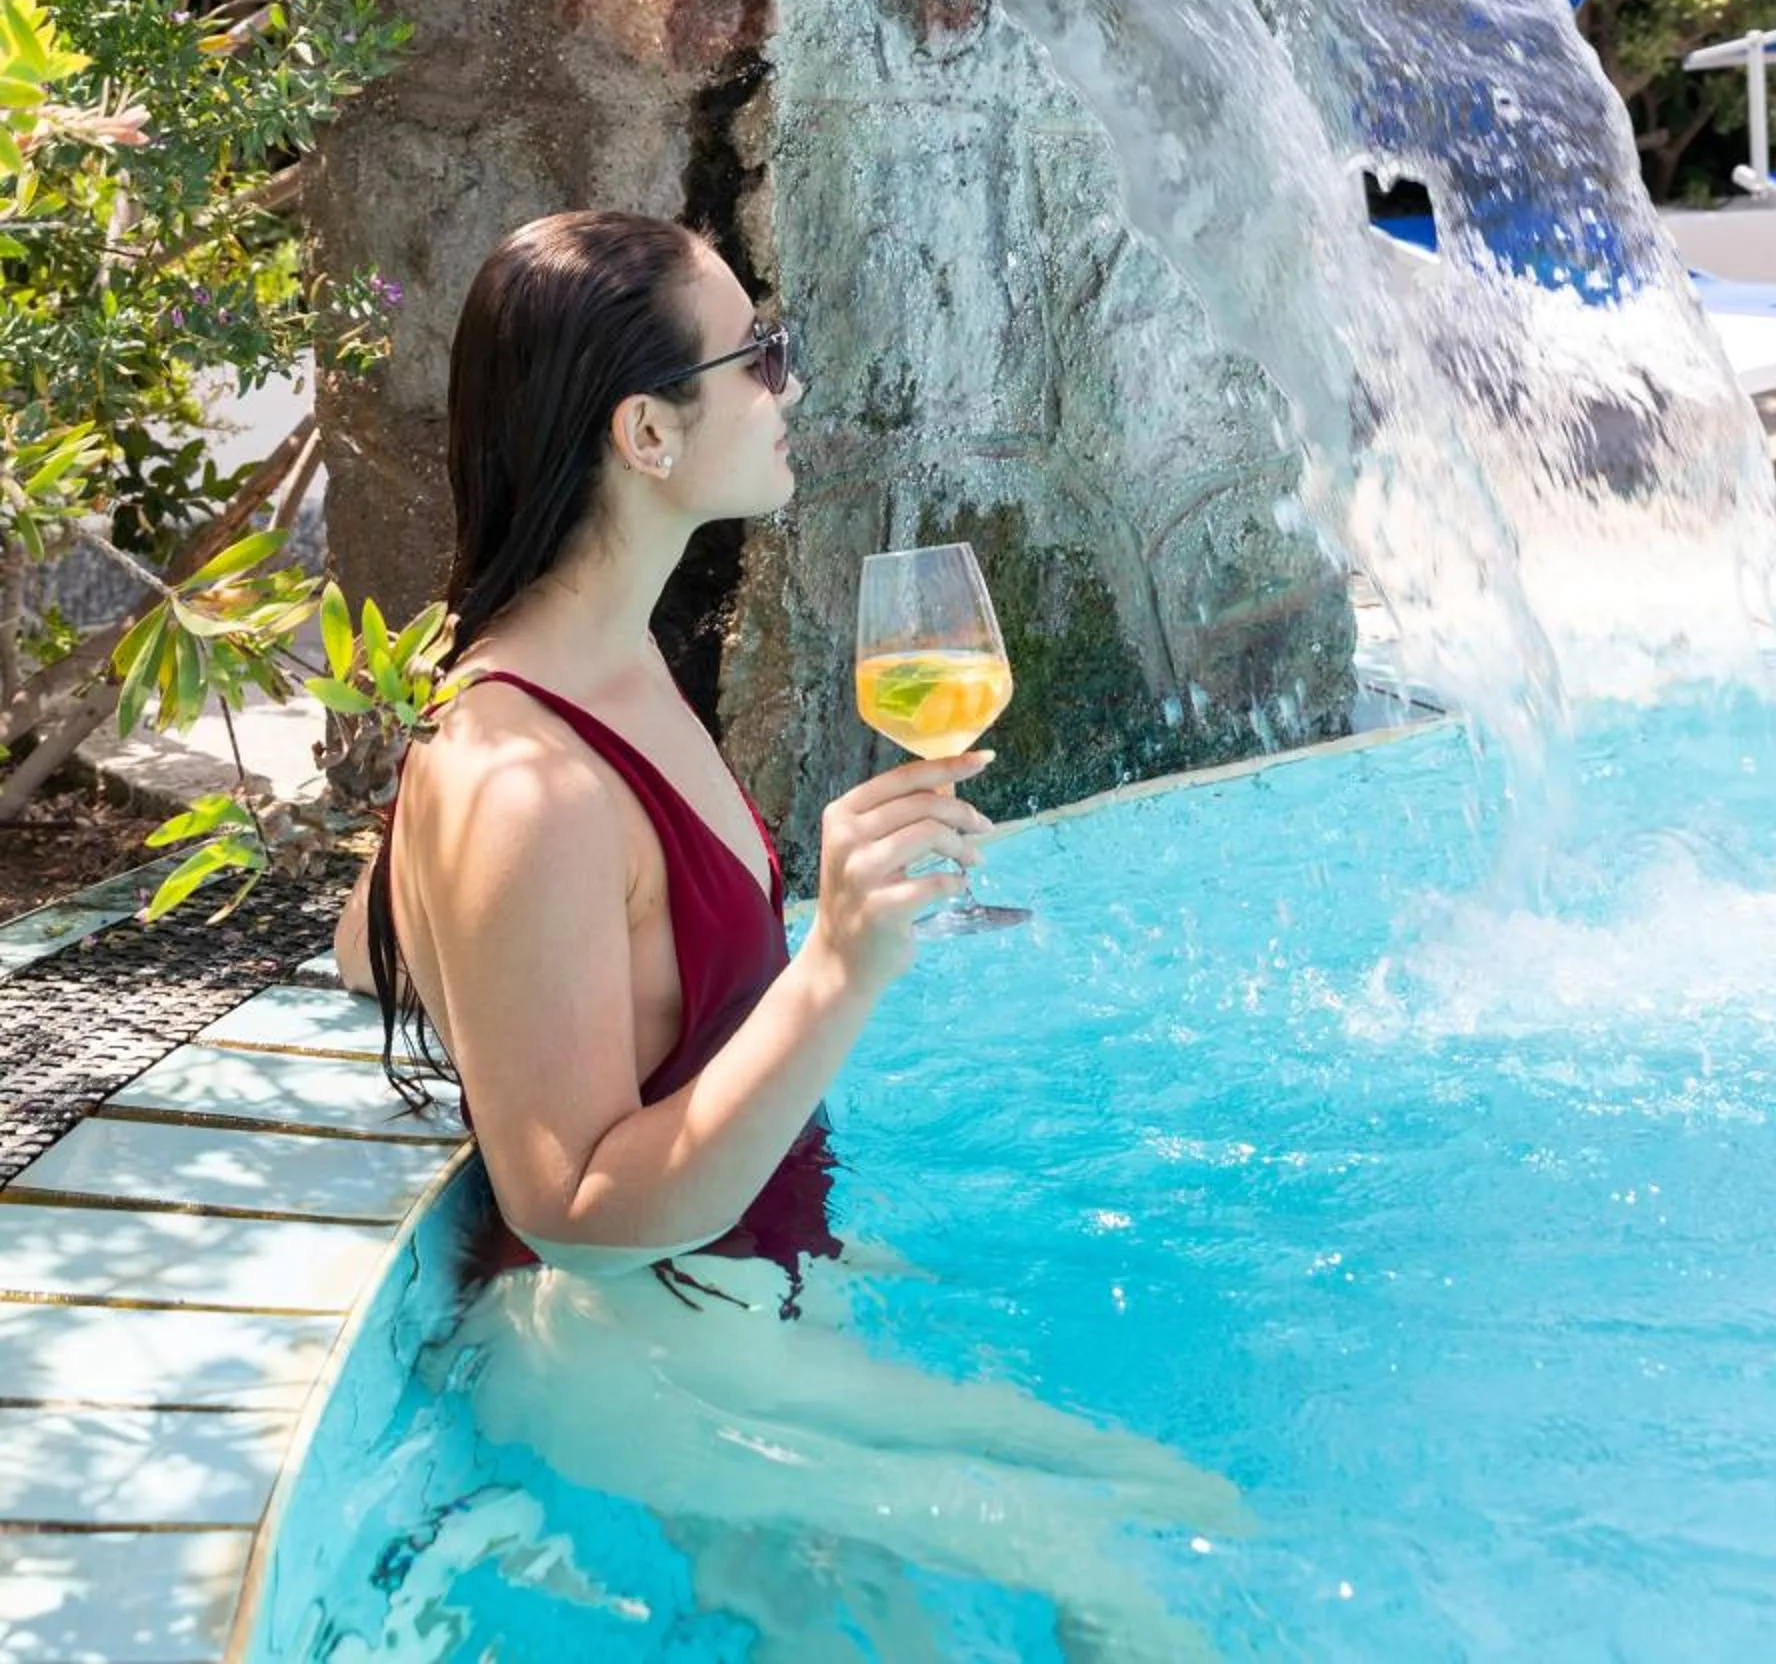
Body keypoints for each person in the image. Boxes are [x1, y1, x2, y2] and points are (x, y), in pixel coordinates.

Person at [333, 206, 1243, 1655]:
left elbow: (361, 941)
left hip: (730, 1293)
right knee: (1109, 1558)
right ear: (645, 431)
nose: (792, 382)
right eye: (761, 353)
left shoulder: (594, 662)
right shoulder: (529, 775)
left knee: (1147, 1512)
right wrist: (839, 963)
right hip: (634, 1346)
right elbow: (569, 1207)